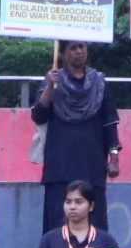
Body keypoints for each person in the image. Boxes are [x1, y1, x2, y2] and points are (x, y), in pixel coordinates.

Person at [34, 40, 121, 223]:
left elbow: (110, 123)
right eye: (73, 48)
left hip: (92, 164)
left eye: (81, 46)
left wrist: (114, 158)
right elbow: (38, 116)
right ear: (63, 53)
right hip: (60, 165)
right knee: (57, 224)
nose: (78, 51)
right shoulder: (53, 81)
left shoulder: (99, 82)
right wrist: (50, 87)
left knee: (95, 223)